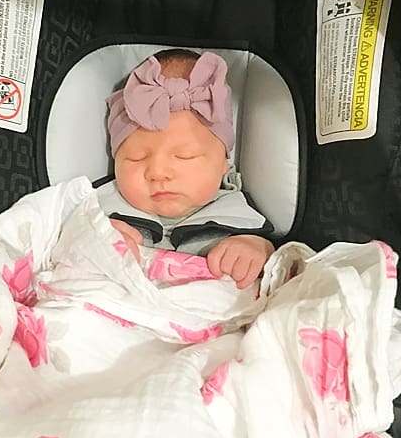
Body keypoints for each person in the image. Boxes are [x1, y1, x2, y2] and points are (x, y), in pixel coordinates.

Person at [99, 49, 275, 289]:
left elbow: (276, 260)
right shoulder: (97, 212)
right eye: (136, 158)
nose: (158, 172)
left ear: (224, 164)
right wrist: (92, 239)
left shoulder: (240, 217)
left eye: (185, 155)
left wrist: (257, 249)